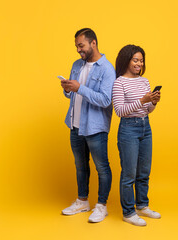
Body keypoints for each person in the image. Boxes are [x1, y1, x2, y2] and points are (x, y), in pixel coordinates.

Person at [60, 28, 116, 223]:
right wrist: (68, 89)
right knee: (80, 165)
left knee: (102, 167)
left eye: (81, 45)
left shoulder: (107, 69)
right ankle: (82, 201)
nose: (78, 50)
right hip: (75, 124)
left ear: (93, 43)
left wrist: (79, 88)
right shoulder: (76, 64)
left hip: (95, 127)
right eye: (76, 46)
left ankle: (101, 206)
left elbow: (106, 100)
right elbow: (72, 94)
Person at [112, 44, 161, 226]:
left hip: (144, 127)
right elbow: (120, 111)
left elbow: (147, 110)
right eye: (135, 60)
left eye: (141, 60)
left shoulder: (144, 81)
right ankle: (128, 212)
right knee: (129, 173)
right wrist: (143, 100)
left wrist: (153, 102)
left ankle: (142, 205)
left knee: (144, 171)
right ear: (126, 60)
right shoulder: (119, 82)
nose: (139, 63)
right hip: (128, 129)